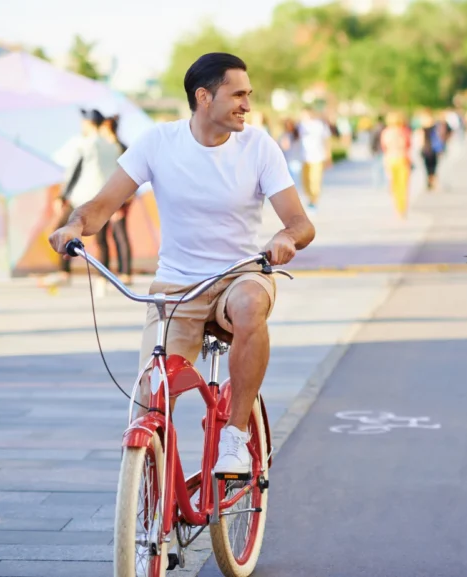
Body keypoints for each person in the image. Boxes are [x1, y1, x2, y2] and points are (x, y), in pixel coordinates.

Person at [48, 52, 315, 477]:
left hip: (240, 274)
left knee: (250, 304)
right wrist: (75, 225)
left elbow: (301, 223)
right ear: (204, 97)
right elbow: (102, 205)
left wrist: (285, 237)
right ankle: (159, 516)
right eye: (238, 94)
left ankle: (235, 435)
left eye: (249, 94)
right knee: (153, 399)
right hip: (176, 288)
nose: (247, 104)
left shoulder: (259, 147)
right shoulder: (158, 143)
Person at [49, 108, 120, 285]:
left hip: (81, 197)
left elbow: (75, 171)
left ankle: (64, 272)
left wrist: (62, 196)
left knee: (63, 231)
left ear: (88, 123)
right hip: (102, 198)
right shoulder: (112, 146)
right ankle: (103, 278)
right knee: (102, 239)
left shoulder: (85, 144)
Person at [98, 115, 133, 284]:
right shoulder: (104, 149)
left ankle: (125, 272)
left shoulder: (121, 149)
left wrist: (120, 204)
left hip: (120, 200)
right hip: (106, 199)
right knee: (102, 236)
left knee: (120, 234)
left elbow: (127, 179)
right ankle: (104, 273)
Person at [297, 108, 332, 212]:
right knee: (305, 181)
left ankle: (314, 202)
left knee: (315, 181)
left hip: (317, 157)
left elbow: (326, 141)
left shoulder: (319, 125)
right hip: (304, 157)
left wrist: (328, 156)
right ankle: (310, 199)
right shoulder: (300, 126)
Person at [379, 111, 412, 219]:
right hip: (402, 158)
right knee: (403, 186)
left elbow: (384, 147)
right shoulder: (404, 131)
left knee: (394, 185)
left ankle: (398, 208)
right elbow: (408, 145)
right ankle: (402, 208)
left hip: (390, 159)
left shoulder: (386, 132)